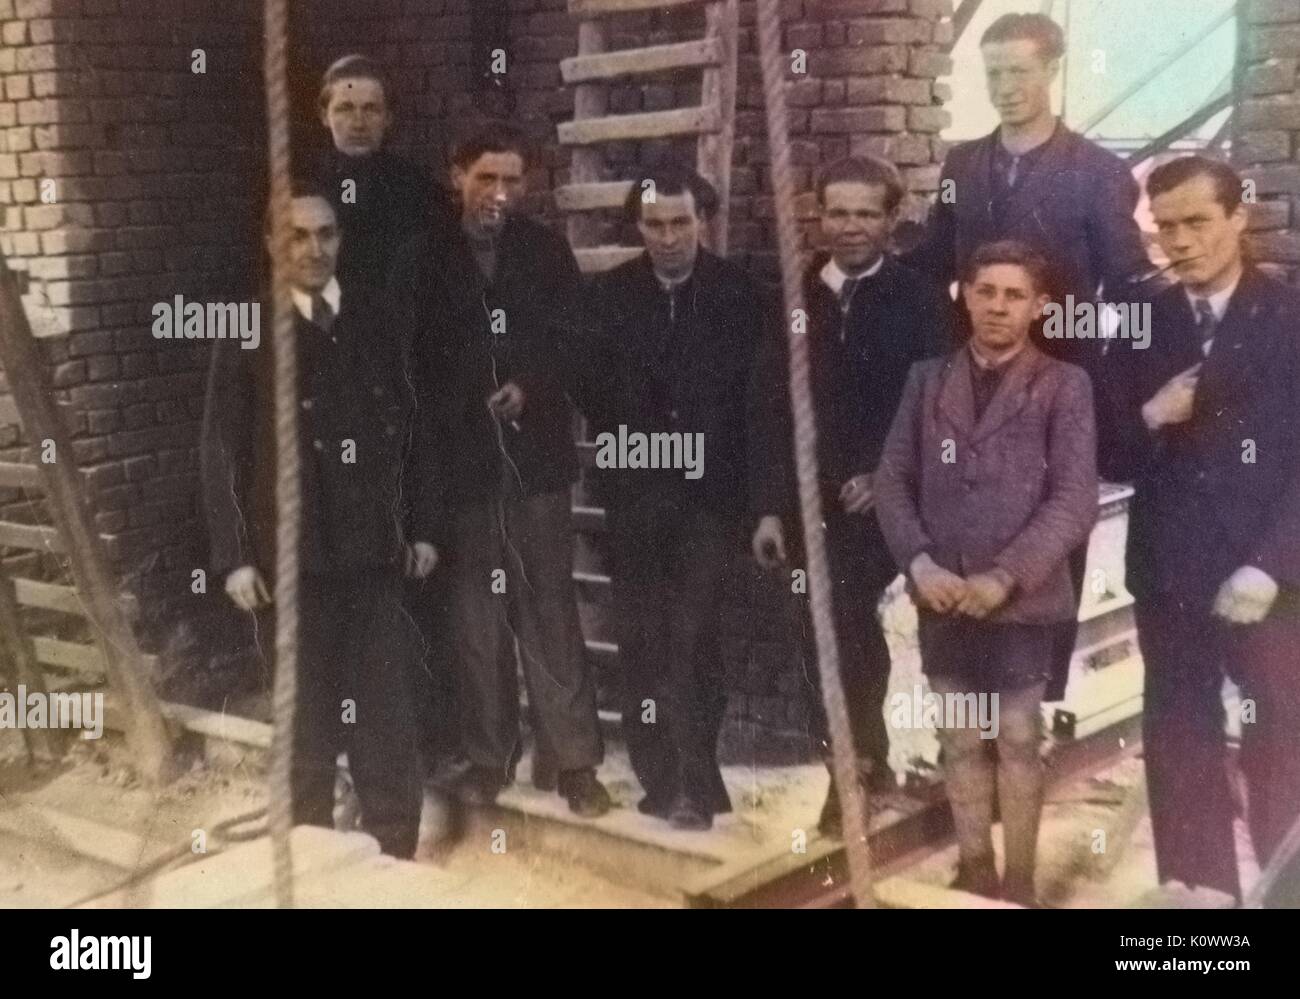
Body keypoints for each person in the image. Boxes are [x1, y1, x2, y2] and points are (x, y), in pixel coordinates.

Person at [904, 11, 1152, 702]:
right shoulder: (962, 166)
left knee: (1043, 546)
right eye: (994, 75)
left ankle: (1029, 711)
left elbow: (1132, 288)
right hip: (971, 388)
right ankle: (963, 710)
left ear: (1051, 70)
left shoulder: (1098, 173)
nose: (1006, 87)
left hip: (1056, 390)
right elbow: (930, 260)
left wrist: (1128, 394)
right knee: (959, 528)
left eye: (1019, 71)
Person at [199, 182, 439, 858]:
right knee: (304, 715)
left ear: (341, 240)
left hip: (371, 554)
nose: (314, 248)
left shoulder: (375, 317)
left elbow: (411, 428)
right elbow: (220, 445)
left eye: (326, 234)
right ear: (273, 244)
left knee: (384, 708)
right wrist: (235, 555)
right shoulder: (251, 331)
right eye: (297, 235)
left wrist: (420, 525)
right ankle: (310, 852)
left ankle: (393, 848)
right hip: (290, 561)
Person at [390, 122, 610, 817]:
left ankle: (574, 761)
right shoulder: (421, 258)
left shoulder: (545, 252)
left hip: (535, 465)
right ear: (457, 175)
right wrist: (463, 398)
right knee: (474, 619)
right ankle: (489, 757)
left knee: (548, 608)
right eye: (486, 177)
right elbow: (404, 365)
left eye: (513, 180)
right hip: (459, 468)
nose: (500, 192)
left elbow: (576, 340)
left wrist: (530, 383)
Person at [1101, 155, 1300, 903]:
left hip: (1269, 580)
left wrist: (1271, 565)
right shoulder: (1142, 318)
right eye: (1165, 228)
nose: (1180, 242)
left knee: (1280, 737)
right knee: (1179, 737)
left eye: (1197, 222)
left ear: (1238, 218)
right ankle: (1197, 900)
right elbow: (1109, 450)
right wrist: (1150, 415)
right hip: (1171, 572)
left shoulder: (1288, 318)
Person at [875, 240, 1098, 904]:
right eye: (986, 292)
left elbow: (1073, 499)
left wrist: (1006, 575)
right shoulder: (926, 379)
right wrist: (918, 562)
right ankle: (975, 867)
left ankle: (1021, 882)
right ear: (964, 295)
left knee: (1020, 737)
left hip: (1022, 602)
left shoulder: (1064, 385)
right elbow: (892, 479)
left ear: (1039, 305)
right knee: (959, 734)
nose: (998, 307)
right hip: (943, 594)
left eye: (1014, 295)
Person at [747, 156, 952, 835]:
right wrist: (772, 505)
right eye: (839, 211)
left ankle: (873, 764)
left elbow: (935, 406)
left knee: (854, 621)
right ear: (819, 215)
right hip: (813, 501)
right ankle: (855, 766)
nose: (852, 227)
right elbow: (769, 408)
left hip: (890, 499)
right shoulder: (795, 297)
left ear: (891, 220)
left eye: (867, 213)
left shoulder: (920, 302)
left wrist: (884, 472)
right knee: (822, 626)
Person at [576, 165, 759, 829]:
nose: (669, 237)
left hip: (713, 500)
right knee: (641, 638)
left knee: (693, 637)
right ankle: (660, 778)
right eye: (654, 225)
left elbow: (756, 403)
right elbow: (592, 392)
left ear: (703, 221)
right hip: (637, 499)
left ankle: (694, 779)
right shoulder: (611, 294)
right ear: (638, 228)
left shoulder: (739, 294)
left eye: (681, 222)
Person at [310, 54, 453, 292]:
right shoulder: (301, 186)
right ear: (325, 116)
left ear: (388, 117)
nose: (358, 123)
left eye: (371, 109)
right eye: (345, 109)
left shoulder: (420, 189)